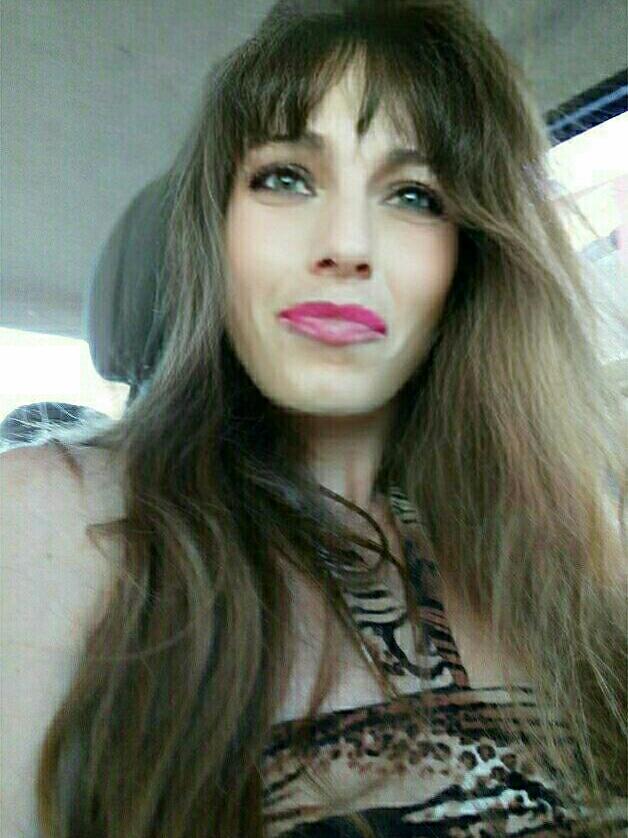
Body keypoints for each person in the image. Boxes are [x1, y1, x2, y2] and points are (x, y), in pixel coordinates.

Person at [1, 1, 626, 836]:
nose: (347, 244)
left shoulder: (562, 544)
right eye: (287, 177)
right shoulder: (45, 519)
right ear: (217, 231)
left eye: (414, 194)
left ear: (469, 260)